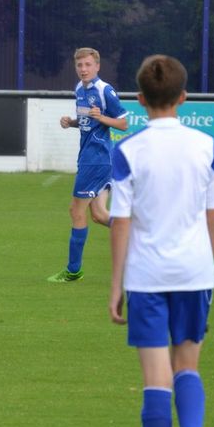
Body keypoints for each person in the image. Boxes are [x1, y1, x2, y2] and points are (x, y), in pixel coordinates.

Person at [108, 55, 214, 427]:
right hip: (195, 273)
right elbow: (213, 217)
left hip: (147, 275)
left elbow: (120, 221)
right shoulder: (206, 145)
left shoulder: (128, 150)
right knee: (187, 367)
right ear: (183, 97)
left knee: (156, 380)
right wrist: (203, 266)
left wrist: (115, 285)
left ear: (139, 100)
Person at [47, 47, 128, 283]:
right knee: (100, 215)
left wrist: (102, 117)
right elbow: (87, 122)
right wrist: (71, 122)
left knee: (76, 211)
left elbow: (123, 124)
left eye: (88, 65)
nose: (83, 69)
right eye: (80, 65)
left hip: (96, 159)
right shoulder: (79, 89)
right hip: (90, 158)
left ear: (97, 66)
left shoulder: (104, 90)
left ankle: (73, 270)